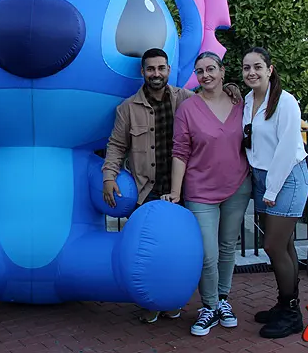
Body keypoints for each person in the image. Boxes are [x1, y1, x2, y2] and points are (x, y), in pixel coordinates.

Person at [102, 48, 240, 323]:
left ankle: (173, 299)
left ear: (168, 69)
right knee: (150, 251)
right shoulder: (128, 108)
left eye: (161, 68)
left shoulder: (186, 99)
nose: (156, 73)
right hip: (147, 189)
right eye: (150, 69)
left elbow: (214, 98)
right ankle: (152, 302)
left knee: (180, 249)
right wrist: (109, 176)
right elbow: (117, 146)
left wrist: (231, 88)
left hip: (184, 188)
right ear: (143, 72)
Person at [168, 52, 252, 337]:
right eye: (200, 71)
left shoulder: (241, 103)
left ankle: (223, 301)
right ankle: (209, 306)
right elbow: (180, 152)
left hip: (237, 187)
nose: (206, 75)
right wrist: (175, 193)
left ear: (222, 71)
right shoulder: (188, 109)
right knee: (207, 253)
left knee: (228, 247)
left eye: (211, 69)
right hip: (200, 190)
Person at [241, 47, 308, 339]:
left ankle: (292, 314)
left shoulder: (286, 102)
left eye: (257, 66)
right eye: (246, 68)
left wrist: (271, 189)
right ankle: (285, 304)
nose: (251, 72)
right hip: (263, 178)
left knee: (273, 246)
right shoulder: (247, 100)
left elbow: (285, 150)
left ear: (270, 68)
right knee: (286, 246)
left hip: (286, 178)